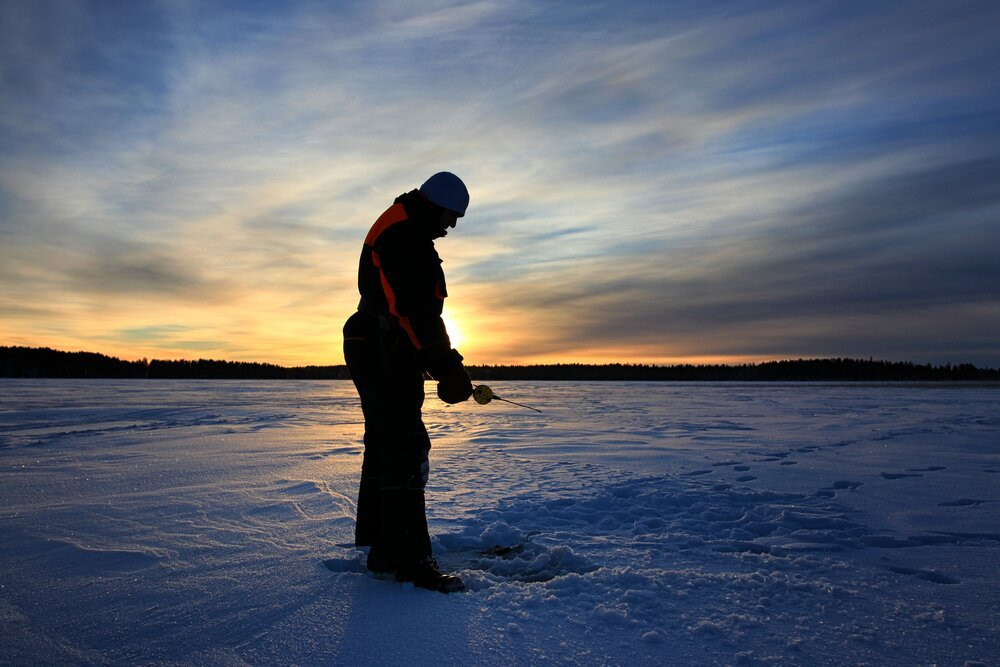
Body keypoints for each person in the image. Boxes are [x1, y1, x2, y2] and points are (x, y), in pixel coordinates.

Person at [342, 172, 474, 593]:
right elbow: (413, 310)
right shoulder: (404, 234)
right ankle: (409, 561)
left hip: (386, 345)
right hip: (380, 345)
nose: (450, 227)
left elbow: (412, 314)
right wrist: (447, 365)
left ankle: (385, 551)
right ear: (434, 205)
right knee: (404, 445)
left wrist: (435, 363)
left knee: (388, 445)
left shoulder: (406, 226)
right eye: (450, 217)